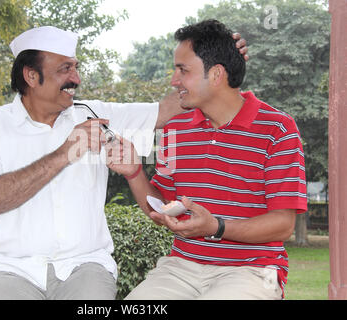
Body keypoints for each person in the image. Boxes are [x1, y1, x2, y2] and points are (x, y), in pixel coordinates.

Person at [0, 25, 248, 300]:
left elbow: (168, 109)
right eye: (65, 69)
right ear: (31, 76)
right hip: (9, 270)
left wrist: (217, 63)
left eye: (76, 68)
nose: (77, 79)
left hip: (85, 267)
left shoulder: (95, 114)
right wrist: (65, 152)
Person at [106, 19, 307, 300]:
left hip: (251, 271)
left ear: (216, 74)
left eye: (182, 70)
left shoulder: (278, 130)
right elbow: (162, 208)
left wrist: (216, 227)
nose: (174, 81)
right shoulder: (174, 129)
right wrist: (134, 173)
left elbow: (283, 224)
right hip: (180, 267)